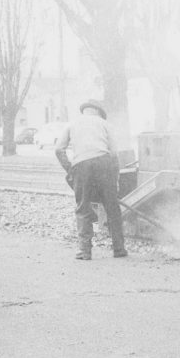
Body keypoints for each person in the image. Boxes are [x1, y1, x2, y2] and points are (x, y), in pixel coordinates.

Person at [54, 100, 127, 260]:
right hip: (104, 163)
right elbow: (114, 154)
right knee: (112, 207)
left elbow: (59, 149)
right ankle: (119, 249)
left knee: (83, 207)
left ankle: (84, 251)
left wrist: (70, 169)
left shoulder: (72, 124)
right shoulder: (105, 124)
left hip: (81, 165)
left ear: (84, 111)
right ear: (99, 112)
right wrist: (115, 178)